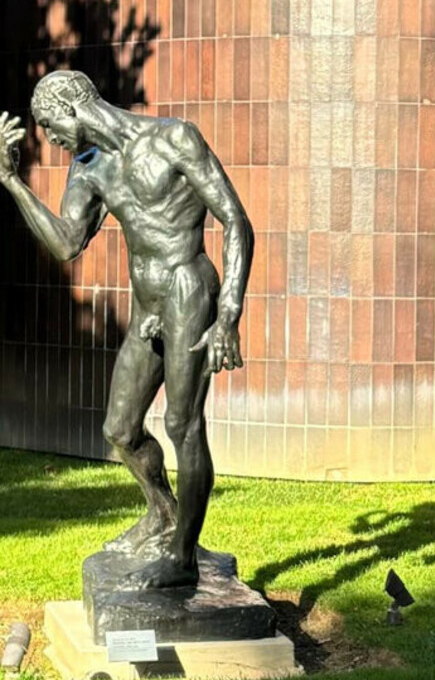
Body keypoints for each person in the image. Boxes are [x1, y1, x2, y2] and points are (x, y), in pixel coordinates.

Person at [0, 69, 253, 589]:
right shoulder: (89, 169)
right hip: (147, 304)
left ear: (72, 109)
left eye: (50, 127)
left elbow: (235, 220)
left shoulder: (174, 138)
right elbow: (66, 243)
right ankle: (164, 514)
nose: (52, 140)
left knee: (183, 423)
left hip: (188, 289)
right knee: (119, 428)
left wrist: (228, 313)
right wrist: (11, 183)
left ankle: (183, 558)